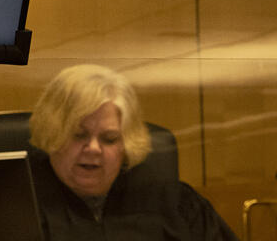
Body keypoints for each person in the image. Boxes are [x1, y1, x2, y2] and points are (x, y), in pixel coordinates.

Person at [27, 64, 239, 241]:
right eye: (78, 135)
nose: (93, 148)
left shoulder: (176, 204)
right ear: (52, 133)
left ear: (126, 144)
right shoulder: (17, 204)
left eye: (109, 139)